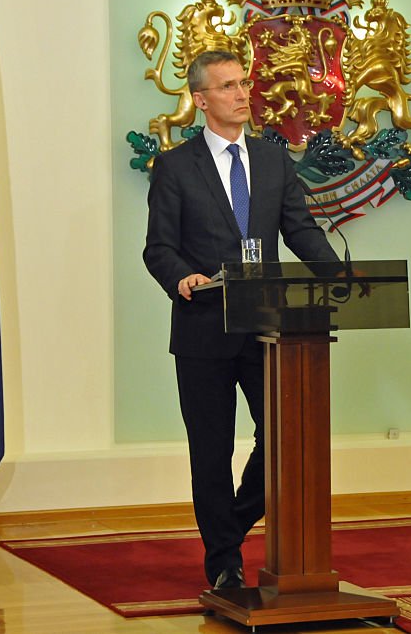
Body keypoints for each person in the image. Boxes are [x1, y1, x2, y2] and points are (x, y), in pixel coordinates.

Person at [143, 50, 340, 589]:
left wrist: (339, 275)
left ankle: (227, 527)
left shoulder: (274, 159)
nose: (242, 93)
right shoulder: (176, 166)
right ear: (202, 100)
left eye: (244, 83)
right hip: (203, 328)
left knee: (281, 439)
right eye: (228, 86)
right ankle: (225, 563)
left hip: (271, 330)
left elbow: (298, 231)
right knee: (212, 449)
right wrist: (181, 277)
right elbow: (158, 249)